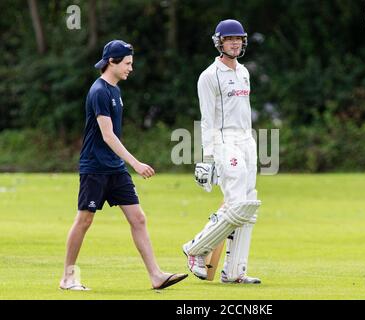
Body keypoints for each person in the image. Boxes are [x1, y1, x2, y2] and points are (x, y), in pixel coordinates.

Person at [59, 40, 188, 291]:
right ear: (112, 62)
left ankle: (156, 276)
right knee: (84, 220)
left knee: (138, 218)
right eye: (128, 63)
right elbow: (108, 135)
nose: (131, 68)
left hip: (115, 169)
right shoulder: (99, 92)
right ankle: (67, 278)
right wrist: (136, 163)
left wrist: (125, 164)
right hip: (95, 168)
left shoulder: (115, 91)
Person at [183, 20, 262, 284]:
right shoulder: (209, 76)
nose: (235, 43)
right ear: (219, 42)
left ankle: (235, 272)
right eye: (230, 39)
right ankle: (195, 249)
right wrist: (208, 157)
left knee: (249, 205)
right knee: (237, 204)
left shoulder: (244, 73)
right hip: (224, 141)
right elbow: (207, 119)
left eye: (239, 39)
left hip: (246, 141)